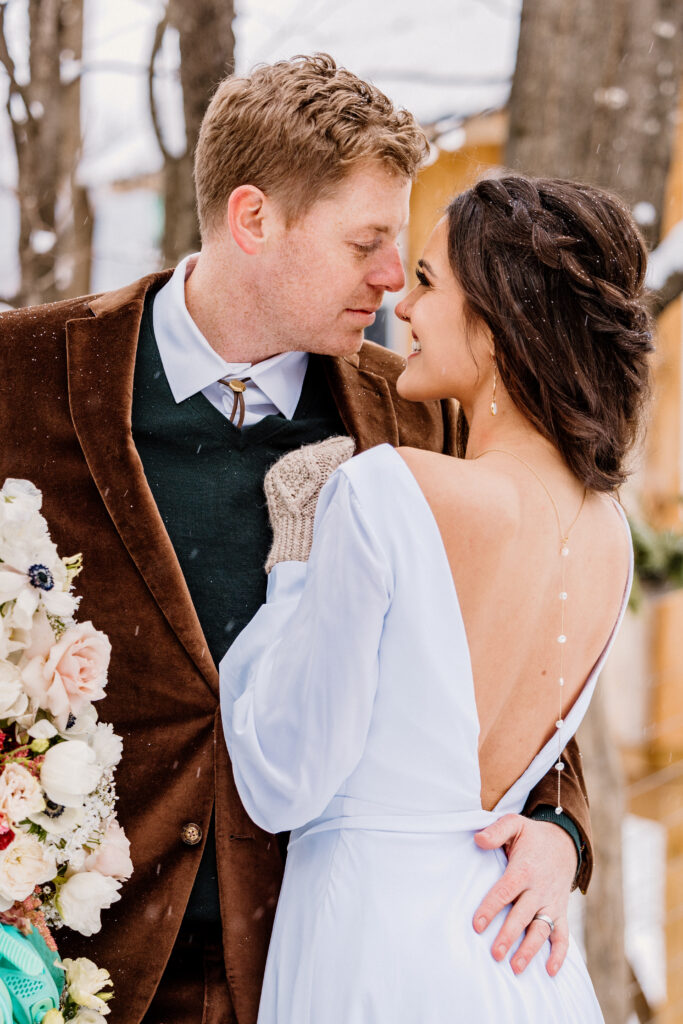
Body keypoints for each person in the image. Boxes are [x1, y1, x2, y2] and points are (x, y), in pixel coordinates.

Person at [1, 56, 589, 1023]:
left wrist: (557, 823)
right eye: (366, 241)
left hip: (314, 959)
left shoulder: (417, 421)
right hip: (69, 968)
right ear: (253, 219)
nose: (393, 278)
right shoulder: (20, 374)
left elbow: (518, 635)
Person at [219, 174, 652, 1021]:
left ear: (496, 327)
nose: (403, 310)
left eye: (425, 282)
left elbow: (282, 780)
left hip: (373, 944)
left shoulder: (387, 490)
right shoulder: (609, 533)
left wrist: (294, 561)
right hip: (516, 960)